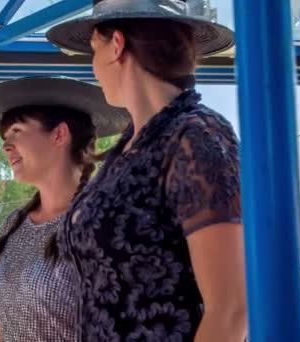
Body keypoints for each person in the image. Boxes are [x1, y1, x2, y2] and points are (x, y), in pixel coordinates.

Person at [46, 0, 247, 341]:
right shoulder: (127, 149)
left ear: (117, 45)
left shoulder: (196, 136)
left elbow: (232, 308)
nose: (92, 68)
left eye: (94, 50)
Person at [0, 77, 128, 341]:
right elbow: (3, 325)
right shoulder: (14, 223)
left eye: (17, 131)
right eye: (4, 136)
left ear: (59, 134)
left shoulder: (105, 223)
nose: (6, 145)